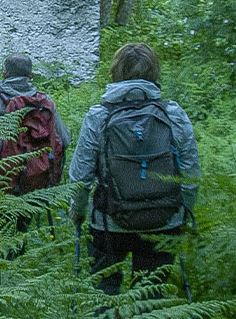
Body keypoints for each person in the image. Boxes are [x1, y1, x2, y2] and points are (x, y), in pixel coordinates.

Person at [68, 43, 200, 295]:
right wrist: (183, 214)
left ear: (115, 72)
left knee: (104, 292)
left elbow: (80, 178)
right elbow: (190, 175)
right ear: (155, 73)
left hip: (109, 223)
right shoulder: (174, 114)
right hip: (163, 222)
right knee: (152, 296)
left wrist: (79, 211)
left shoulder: (99, 116)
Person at [0, 54, 71, 205]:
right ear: (31, 76)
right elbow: (64, 140)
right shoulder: (46, 103)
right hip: (37, 185)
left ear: (4, 75)